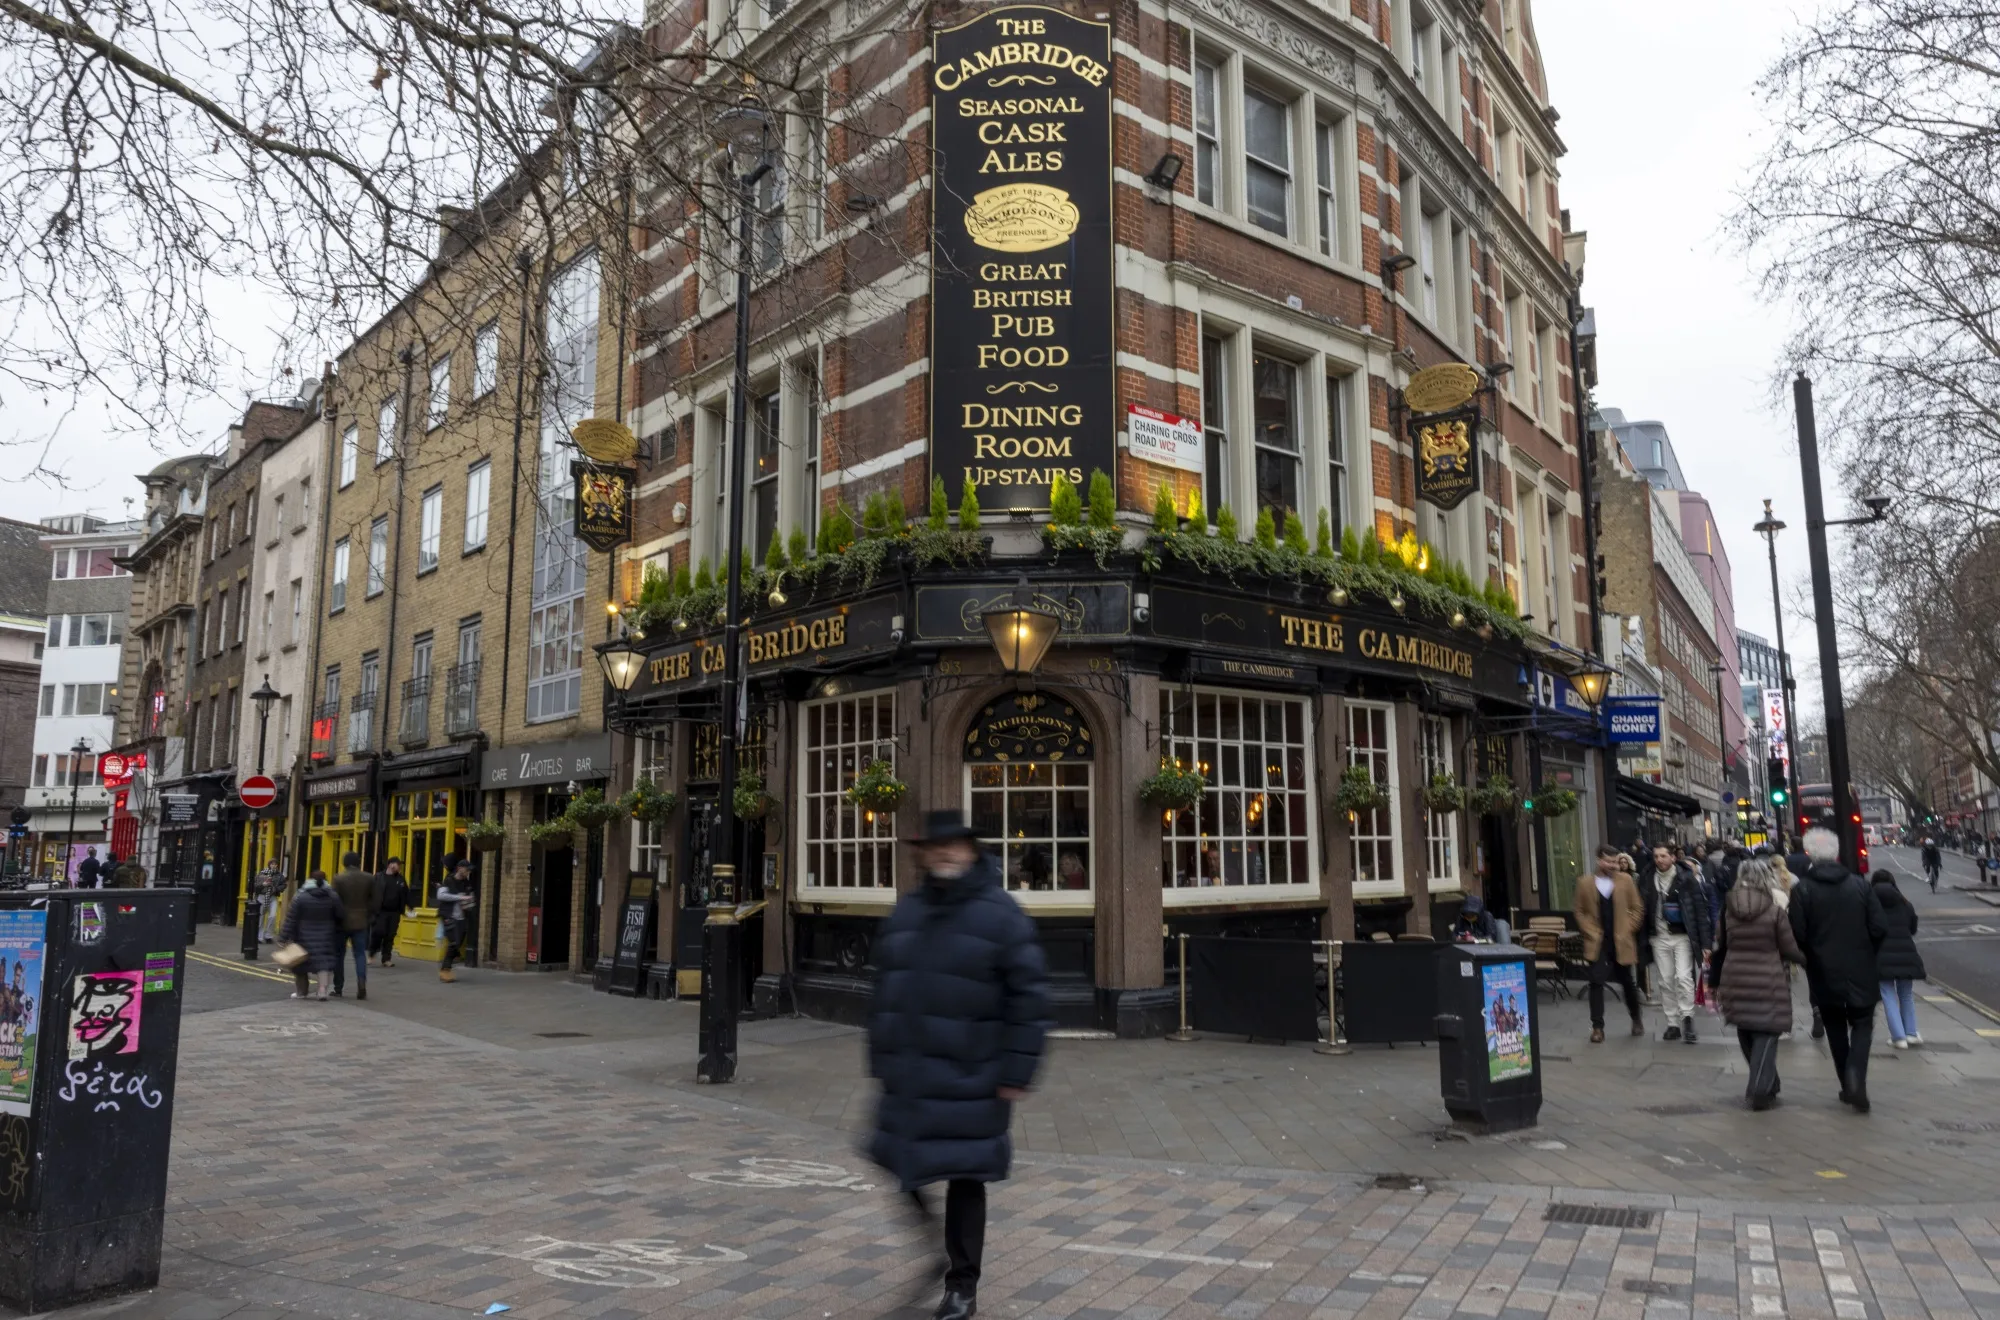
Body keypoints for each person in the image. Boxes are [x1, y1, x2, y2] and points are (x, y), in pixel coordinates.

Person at [868, 810, 1049, 1320]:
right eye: (936, 846)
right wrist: (880, 1055)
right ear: (922, 853)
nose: (946, 853)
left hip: (975, 1072)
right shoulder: (907, 911)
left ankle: (961, 1286)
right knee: (891, 1158)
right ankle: (934, 1254)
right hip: (911, 1071)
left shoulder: (1001, 913)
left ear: (971, 851)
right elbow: (884, 990)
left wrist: (1017, 1071)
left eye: (956, 845)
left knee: (965, 1177)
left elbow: (1030, 999)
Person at [1789, 827, 1887, 1112]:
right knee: (1863, 1024)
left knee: (1834, 1028)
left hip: (1823, 971)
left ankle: (1847, 1083)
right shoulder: (1860, 885)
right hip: (1861, 968)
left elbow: (1798, 933)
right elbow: (1880, 927)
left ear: (1809, 855)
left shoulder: (1802, 890)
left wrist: (1811, 957)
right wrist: (1868, 954)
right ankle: (1856, 1077)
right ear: (1837, 855)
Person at [1711, 856, 1806, 1110]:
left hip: (1735, 976)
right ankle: (1759, 1090)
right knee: (1767, 1031)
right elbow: (1789, 948)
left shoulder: (1727, 909)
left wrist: (1714, 979)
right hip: (1768, 978)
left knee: (1746, 1026)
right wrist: (1807, 960)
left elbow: (1720, 945)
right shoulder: (1775, 912)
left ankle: (1769, 1082)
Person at [1641, 842, 1713, 1044]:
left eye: (1663, 856)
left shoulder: (1687, 880)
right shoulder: (1648, 879)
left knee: (1683, 977)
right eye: (1656, 856)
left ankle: (1687, 1018)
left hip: (1682, 936)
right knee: (1665, 980)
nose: (1659, 860)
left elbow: (1700, 912)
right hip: (1658, 937)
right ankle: (1672, 1023)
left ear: (1673, 858)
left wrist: (1706, 943)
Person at [1574, 844, 1645, 1044]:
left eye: (1615, 861)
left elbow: (1637, 908)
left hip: (1621, 940)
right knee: (1596, 983)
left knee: (1627, 983)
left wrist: (1628, 927)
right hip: (1598, 942)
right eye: (1608, 861)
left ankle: (1636, 1017)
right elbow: (1579, 911)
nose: (1613, 865)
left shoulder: (1626, 880)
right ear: (1599, 860)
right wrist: (1589, 930)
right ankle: (1597, 1027)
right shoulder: (1585, 883)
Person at [1871, 869, 1925, 1048]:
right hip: (1906, 953)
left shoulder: (1869, 902)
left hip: (1881, 954)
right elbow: (1913, 928)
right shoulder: (1905, 903)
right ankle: (1911, 1033)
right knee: (1906, 994)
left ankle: (1898, 1037)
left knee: (1887, 994)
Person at [280, 871, 346, 1002]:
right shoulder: (332, 896)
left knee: (300, 965)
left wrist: (284, 936)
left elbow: (291, 919)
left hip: (303, 936)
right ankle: (322, 991)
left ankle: (301, 992)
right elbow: (341, 915)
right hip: (326, 936)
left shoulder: (301, 896)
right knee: (323, 964)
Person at [328, 851, 377, 1000]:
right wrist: (368, 916)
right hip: (361, 921)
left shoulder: (339, 878)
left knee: (339, 955)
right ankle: (361, 984)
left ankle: (338, 987)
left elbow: (334, 901)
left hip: (341, 923)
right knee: (360, 954)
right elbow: (374, 900)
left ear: (344, 863)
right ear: (358, 862)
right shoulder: (369, 878)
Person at [435, 863, 476, 982]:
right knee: (454, 942)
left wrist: (470, 902)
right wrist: (460, 897)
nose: (468, 872)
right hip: (449, 915)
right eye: (466, 869)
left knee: (458, 944)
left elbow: (470, 898)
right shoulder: (449, 880)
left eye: (469, 870)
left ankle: (448, 965)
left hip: (461, 917)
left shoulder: (466, 883)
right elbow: (441, 895)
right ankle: (445, 970)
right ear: (459, 868)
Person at [373, 857, 410, 966]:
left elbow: (406, 893)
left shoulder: (400, 879)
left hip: (395, 912)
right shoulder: (379, 877)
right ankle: (372, 951)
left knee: (390, 935)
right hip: (381, 911)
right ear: (391, 865)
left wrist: (410, 906)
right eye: (398, 864)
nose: (399, 867)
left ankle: (386, 959)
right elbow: (370, 892)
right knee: (379, 932)